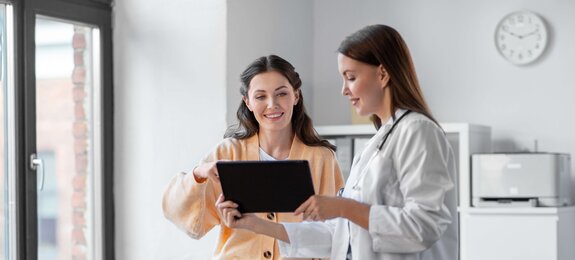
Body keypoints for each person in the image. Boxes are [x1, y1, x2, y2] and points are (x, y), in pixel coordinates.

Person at [217, 24, 458, 260]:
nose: (344, 90)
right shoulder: (378, 142)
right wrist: (258, 225)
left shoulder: (417, 131)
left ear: (382, 74)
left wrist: (344, 207)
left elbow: (424, 226)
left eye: (351, 77)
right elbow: (341, 236)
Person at [162, 54, 344, 259]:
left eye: (281, 94)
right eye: (260, 96)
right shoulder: (228, 153)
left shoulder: (322, 159)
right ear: (247, 102)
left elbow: (337, 233)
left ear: (296, 95)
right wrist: (199, 172)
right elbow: (178, 212)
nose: (272, 104)